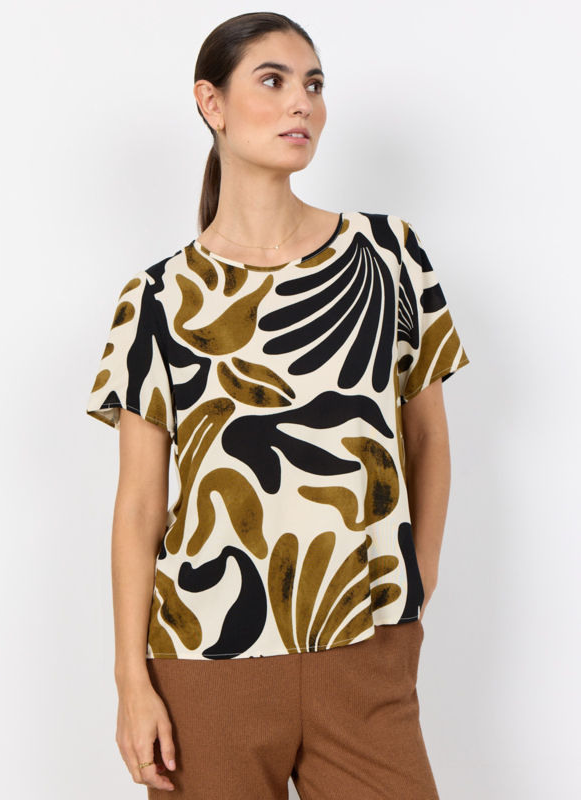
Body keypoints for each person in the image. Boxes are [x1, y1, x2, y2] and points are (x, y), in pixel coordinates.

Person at [85, 11, 470, 799]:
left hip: (365, 652)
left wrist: (416, 585)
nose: (303, 102)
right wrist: (131, 681)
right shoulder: (156, 298)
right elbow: (139, 503)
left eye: (314, 85)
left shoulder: (389, 254)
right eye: (274, 80)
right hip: (204, 663)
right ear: (212, 103)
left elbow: (428, 437)